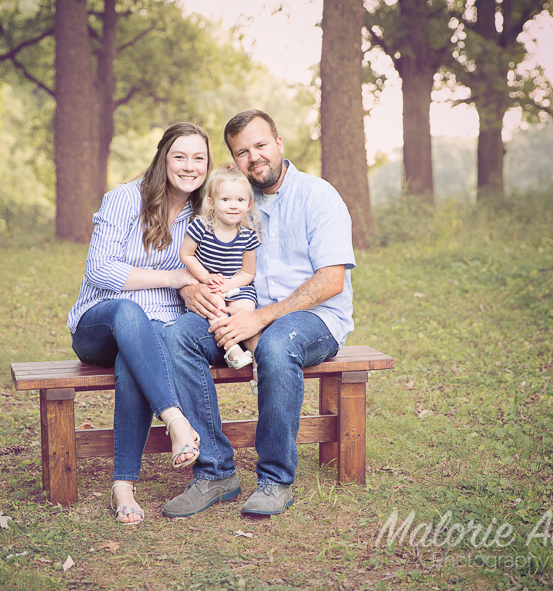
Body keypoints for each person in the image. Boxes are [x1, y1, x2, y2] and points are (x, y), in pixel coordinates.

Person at [160, 109, 356, 518]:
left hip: (313, 320)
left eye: (261, 145)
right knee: (178, 335)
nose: (254, 158)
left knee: (276, 345)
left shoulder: (318, 196)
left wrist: (262, 318)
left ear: (279, 143)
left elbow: (331, 280)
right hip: (237, 311)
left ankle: (274, 479)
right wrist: (193, 285)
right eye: (242, 152)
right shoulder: (230, 202)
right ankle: (215, 472)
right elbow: (194, 255)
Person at [66, 122, 210, 525]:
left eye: (198, 158)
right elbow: (101, 271)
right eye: (180, 156)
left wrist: (193, 289)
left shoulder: (202, 216)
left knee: (138, 347)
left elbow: (208, 270)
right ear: (163, 158)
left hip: (154, 326)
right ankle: (177, 420)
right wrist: (174, 279)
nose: (189, 166)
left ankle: (122, 486)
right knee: (131, 315)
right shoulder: (125, 199)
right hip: (99, 322)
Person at [178, 164, 262, 370]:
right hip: (209, 286)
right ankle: (232, 349)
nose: (234, 206)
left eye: (240, 200)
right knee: (215, 304)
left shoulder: (247, 235)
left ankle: (260, 367)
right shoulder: (202, 226)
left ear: (249, 204)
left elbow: (248, 272)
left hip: (235, 286)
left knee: (244, 312)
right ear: (211, 202)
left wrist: (230, 284)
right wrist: (205, 277)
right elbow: (186, 254)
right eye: (226, 199)